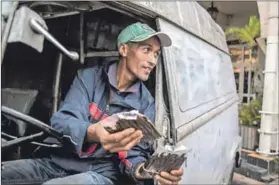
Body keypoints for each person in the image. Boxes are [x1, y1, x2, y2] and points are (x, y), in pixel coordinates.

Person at [1, 22, 183, 185]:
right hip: (59, 162)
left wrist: (145, 171)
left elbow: (134, 154)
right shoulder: (88, 78)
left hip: (100, 174)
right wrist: (93, 132)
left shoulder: (146, 104)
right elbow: (63, 122)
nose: (152, 60)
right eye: (146, 49)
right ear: (124, 50)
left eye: (156, 54)